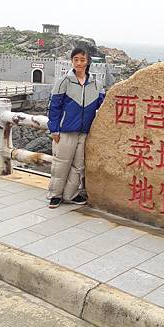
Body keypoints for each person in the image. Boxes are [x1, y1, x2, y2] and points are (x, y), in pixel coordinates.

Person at [47, 47, 105, 208]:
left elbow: (104, 105)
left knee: (78, 166)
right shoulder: (63, 81)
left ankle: (69, 195)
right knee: (61, 164)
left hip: (84, 132)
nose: (79, 63)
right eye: (76, 59)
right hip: (65, 131)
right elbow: (53, 107)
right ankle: (55, 195)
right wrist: (54, 129)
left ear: (88, 62)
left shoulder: (96, 84)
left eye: (82, 59)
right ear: (72, 61)